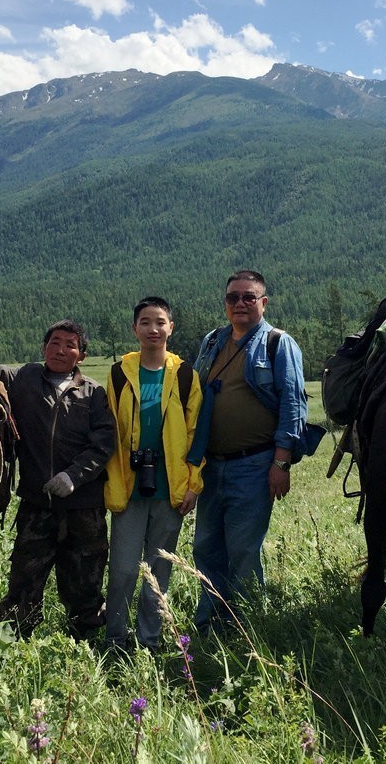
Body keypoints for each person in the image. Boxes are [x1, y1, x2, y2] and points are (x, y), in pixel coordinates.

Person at [190, 269, 316, 631]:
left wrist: (282, 462)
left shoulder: (278, 343)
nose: (240, 303)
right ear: (225, 304)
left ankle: (246, 626)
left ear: (263, 302)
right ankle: (210, 623)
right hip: (212, 465)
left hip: (255, 464)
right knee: (206, 547)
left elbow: (293, 404)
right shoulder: (212, 341)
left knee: (243, 550)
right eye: (233, 298)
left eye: (249, 297)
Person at [0, 319, 115, 640]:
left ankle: (82, 648)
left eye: (70, 344)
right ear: (44, 347)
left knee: (85, 584)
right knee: (23, 580)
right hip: (37, 503)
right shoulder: (23, 379)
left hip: (85, 509)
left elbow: (104, 444)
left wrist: (73, 477)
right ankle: (10, 645)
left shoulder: (94, 394)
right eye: (54, 342)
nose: (61, 350)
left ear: (82, 354)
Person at [103, 297, 203, 651]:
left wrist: (193, 484)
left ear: (170, 328)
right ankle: (115, 639)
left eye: (160, 322)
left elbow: (195, 434)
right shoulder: (118, 374)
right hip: (129, 489)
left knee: (159, 572)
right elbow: (109, 432)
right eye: (145, 322)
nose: (153, 329)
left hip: (170, 490)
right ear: (135, 329)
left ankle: (151, 641)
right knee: (123, 571)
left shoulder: (186, 376)